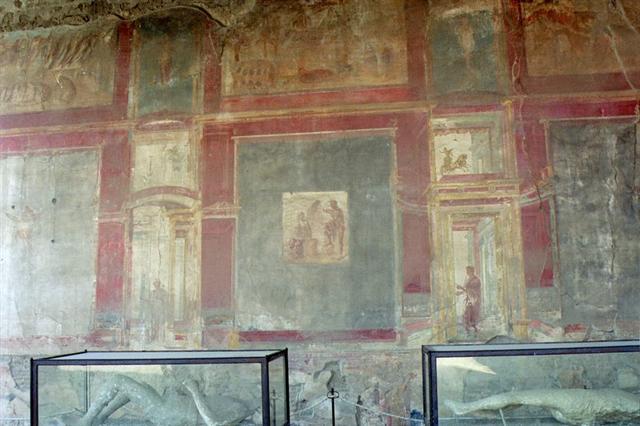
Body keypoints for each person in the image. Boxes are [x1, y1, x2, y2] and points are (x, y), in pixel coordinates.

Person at [457, 266, 481, 333]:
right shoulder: (468, 279)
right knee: (467, 314)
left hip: (474, 300)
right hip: (468, 299)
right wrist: (460, 292)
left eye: (468, 271)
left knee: (472, 314)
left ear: (472, 271)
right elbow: (466, 290)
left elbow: (471, 290)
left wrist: (461, 288)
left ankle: (474, 328)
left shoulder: (476, 280)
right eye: (466, 271)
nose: (467, 272)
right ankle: (468, 328)